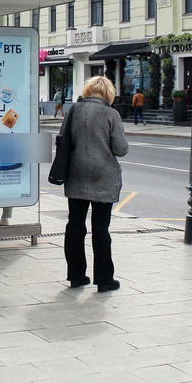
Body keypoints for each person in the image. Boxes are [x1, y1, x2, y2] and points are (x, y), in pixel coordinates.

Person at [60, 75, 129, 292]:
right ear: (109, 93)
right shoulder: (111, 114)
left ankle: (76, 276)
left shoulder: (74, 111)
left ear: (88, 90)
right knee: (101, 229)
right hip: (103, 177)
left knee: (75, 225)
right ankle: (105, 279)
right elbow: (121, 149)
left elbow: (64, 138)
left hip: (76, 173)